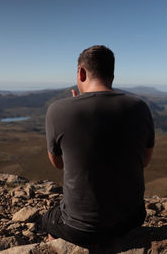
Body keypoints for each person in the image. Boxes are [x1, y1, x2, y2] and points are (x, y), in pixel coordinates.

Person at [42, 45, 154, 247]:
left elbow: (57, 163)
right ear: (111, 75)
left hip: (79, 229)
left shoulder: (58, 110)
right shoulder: (140, 107)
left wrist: (76, 117)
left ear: (81, 73)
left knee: (49, 220)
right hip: (131, 221)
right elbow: (144, 161)